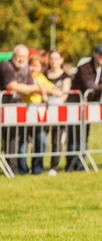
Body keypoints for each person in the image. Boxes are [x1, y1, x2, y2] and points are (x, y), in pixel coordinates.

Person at [0, 45, 45, 175]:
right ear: (13, 56)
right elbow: (12, 86)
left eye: (24, 57)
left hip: (15, 108)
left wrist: (32, 89)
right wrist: (35, 89)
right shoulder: (6, 66)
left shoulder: (25, 68)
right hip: (3, 106)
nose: (21, 59)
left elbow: (30, 85)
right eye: (19, 56)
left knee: (14, 137)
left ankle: (13, 168)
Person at [68, 45, 102, 171]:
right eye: (100, 54)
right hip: (76, 104)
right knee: (75, 135)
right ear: (94, 54)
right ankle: (72, 164)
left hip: (88, 106)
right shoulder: (84, 67)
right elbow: (90, 86)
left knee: (85, 134)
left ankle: (81, 163)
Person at [45, 50, 72, 176]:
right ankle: (37, 165)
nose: (54, 61)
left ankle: (54, 166)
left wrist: (52, 94)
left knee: (56, 140)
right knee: (41, 139)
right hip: (43, 111)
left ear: (61, 60)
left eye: (56, 58)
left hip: (58, 112)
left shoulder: (65, 76)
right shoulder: (43, 74)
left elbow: (64, 94)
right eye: (51, 58)